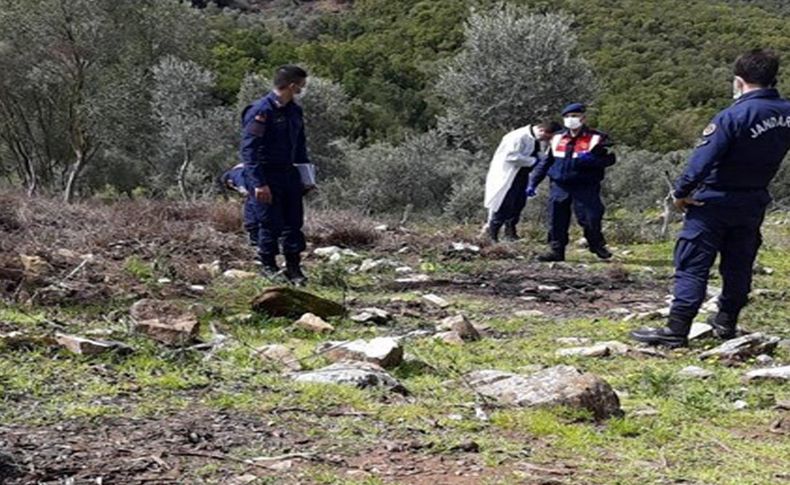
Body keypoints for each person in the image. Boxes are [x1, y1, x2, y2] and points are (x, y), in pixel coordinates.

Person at [631, 49, 790, 348]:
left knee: (693, 263)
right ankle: (726, 322)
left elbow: (702, 160)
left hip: (713, 202)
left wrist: (681, 192)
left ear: (739, 81)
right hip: (753, 200)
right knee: (739, 263)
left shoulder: (733, 115)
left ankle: (677, 329)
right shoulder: (785, 113)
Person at [240, 65, 312, 285]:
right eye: (301, 86)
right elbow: (249, 150)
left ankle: (293, 267)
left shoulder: (294, 111)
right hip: (266, 174)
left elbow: (300, 146)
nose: (302, 90)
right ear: (292, 86)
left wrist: (307, 177)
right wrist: (258, 183)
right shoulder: (261, 111)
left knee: (293, 221)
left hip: (289, 173)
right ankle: (268, 266)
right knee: (269, 222)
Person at [527, 103, 616, 261]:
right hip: (560, 185)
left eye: (574, 116)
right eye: (567, 117)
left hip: (585, 185)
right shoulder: (557, 137)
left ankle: (596, 244)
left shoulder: (597, 138)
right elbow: (546, 162)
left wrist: (593, 159)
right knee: (556, 219)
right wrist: (533, 182)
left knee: (591, 218)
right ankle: (556, 251)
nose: (571, 119)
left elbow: (609, 160)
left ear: (583, 118)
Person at [484, 121, 562, 242]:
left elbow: (538, 154)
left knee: (518, 203)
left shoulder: (535, 139)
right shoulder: (518, 136)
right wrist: (533, 161)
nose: (547, 140)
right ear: (543, 131)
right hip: (508, 174)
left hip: (522, 174)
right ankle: (492, 234)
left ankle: (510, 233)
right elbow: (510, 156)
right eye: (548, 137)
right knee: (504, 203)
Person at [217, 163, 259, 247]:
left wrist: (241, 188)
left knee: (251, 217)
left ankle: (255, 241)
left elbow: (240, 181)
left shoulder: (234, 174)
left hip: (255, 194)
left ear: (229, 182)